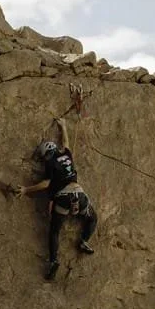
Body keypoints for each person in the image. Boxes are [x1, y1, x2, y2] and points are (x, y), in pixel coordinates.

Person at [16, 118, 97, 279]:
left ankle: (53, 262)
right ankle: (84, 240)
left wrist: (26, 190)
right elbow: (65, 142)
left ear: (46, 154)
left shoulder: (50, 163)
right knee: (92, 218)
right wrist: (64, 126)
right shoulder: (66, 154)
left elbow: (46, 183)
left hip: (63, 199)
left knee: (54, 232)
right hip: (80, 197)